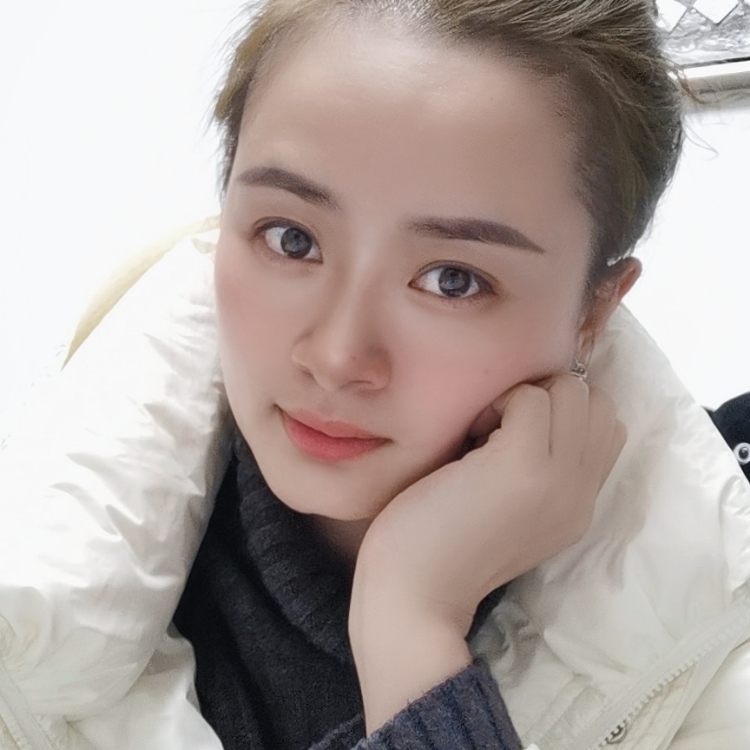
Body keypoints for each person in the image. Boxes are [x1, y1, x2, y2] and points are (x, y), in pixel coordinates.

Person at [1, 1, 749, 749]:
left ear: (592, 313)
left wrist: (411, 627)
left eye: (453, 280)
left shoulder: (713, 660)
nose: (336, 358)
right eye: (291, 239)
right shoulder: (29, 592)